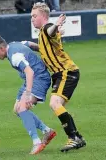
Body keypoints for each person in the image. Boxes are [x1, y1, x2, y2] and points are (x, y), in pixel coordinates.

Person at [25, 2, 86, 152]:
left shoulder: (47, 27)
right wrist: (28, 45)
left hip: (66, 72)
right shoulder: (42, 33)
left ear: (44, 16)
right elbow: (44, 48)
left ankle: (74, 137)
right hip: (61, 74)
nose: (31, 19)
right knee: (57, 106)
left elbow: (51, 30)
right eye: (31, 16)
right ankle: (76, 136)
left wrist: (56, 25)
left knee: (54, 103)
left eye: (34, 16)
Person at [0, 36, 57, 155]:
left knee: (22, 108)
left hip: (38, 79)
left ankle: (36, 142)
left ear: (1, 48)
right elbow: (28, 44)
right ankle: (47, 131)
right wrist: (43, 50)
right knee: (17, 109)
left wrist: (28, 94)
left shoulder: (14, 56)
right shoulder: (14, 43)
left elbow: (30, 72)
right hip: (30, 80)